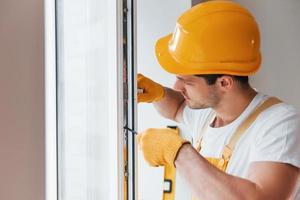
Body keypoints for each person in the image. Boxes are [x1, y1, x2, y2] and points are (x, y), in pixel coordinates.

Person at [137, 1, 300, 199]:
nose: (176, 88)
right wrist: (156, 93)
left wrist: (178, 153)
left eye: (185, 81)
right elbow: (178, 106)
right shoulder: (209, 113)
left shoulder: (279, 123)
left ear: (224, 83)